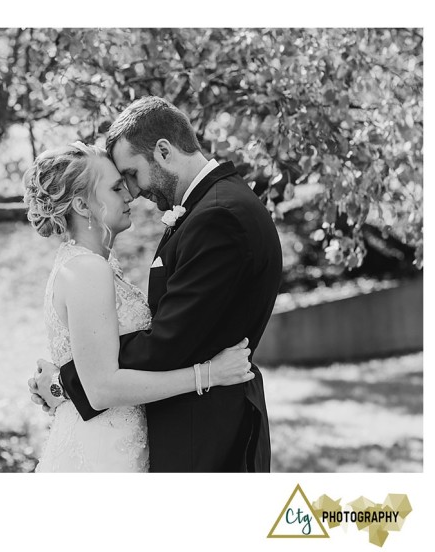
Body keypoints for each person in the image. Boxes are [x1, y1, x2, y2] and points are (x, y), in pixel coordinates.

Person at [30, 96, 282, 472]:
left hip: (206, 437)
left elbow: (167, 343)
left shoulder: (219, 216)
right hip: (156, 435)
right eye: (118, 186)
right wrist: (84, 371)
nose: (132, 191)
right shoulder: (208, 210)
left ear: (163, 151)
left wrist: (68, 380)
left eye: (130, 175)